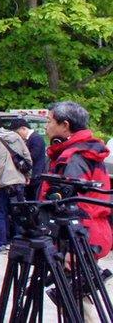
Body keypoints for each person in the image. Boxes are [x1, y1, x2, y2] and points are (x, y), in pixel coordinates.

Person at [41, 101, 112, 260]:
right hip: (96, 232)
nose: (46, 127)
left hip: (79, 237)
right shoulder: (89, 150)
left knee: (70, 284)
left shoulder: (73, 158)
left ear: (65, 125)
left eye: (49, 121)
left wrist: (73, 249)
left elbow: (75, 206)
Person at [0, 112, 32, 249]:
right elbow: (27, 156)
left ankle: (2, 242)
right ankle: (20, 240)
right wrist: (27, 175)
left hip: (1, 183)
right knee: (18, 212)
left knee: (0, 212)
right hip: (18, 181)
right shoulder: (15, 136)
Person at [9, 118, 47, 200]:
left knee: (32, 199)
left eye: (17, 133)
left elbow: (33, 156)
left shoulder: (36, 138)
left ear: (24, 128)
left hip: (35, 175)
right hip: (32, 175)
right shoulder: (30, 138)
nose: (17, 136)